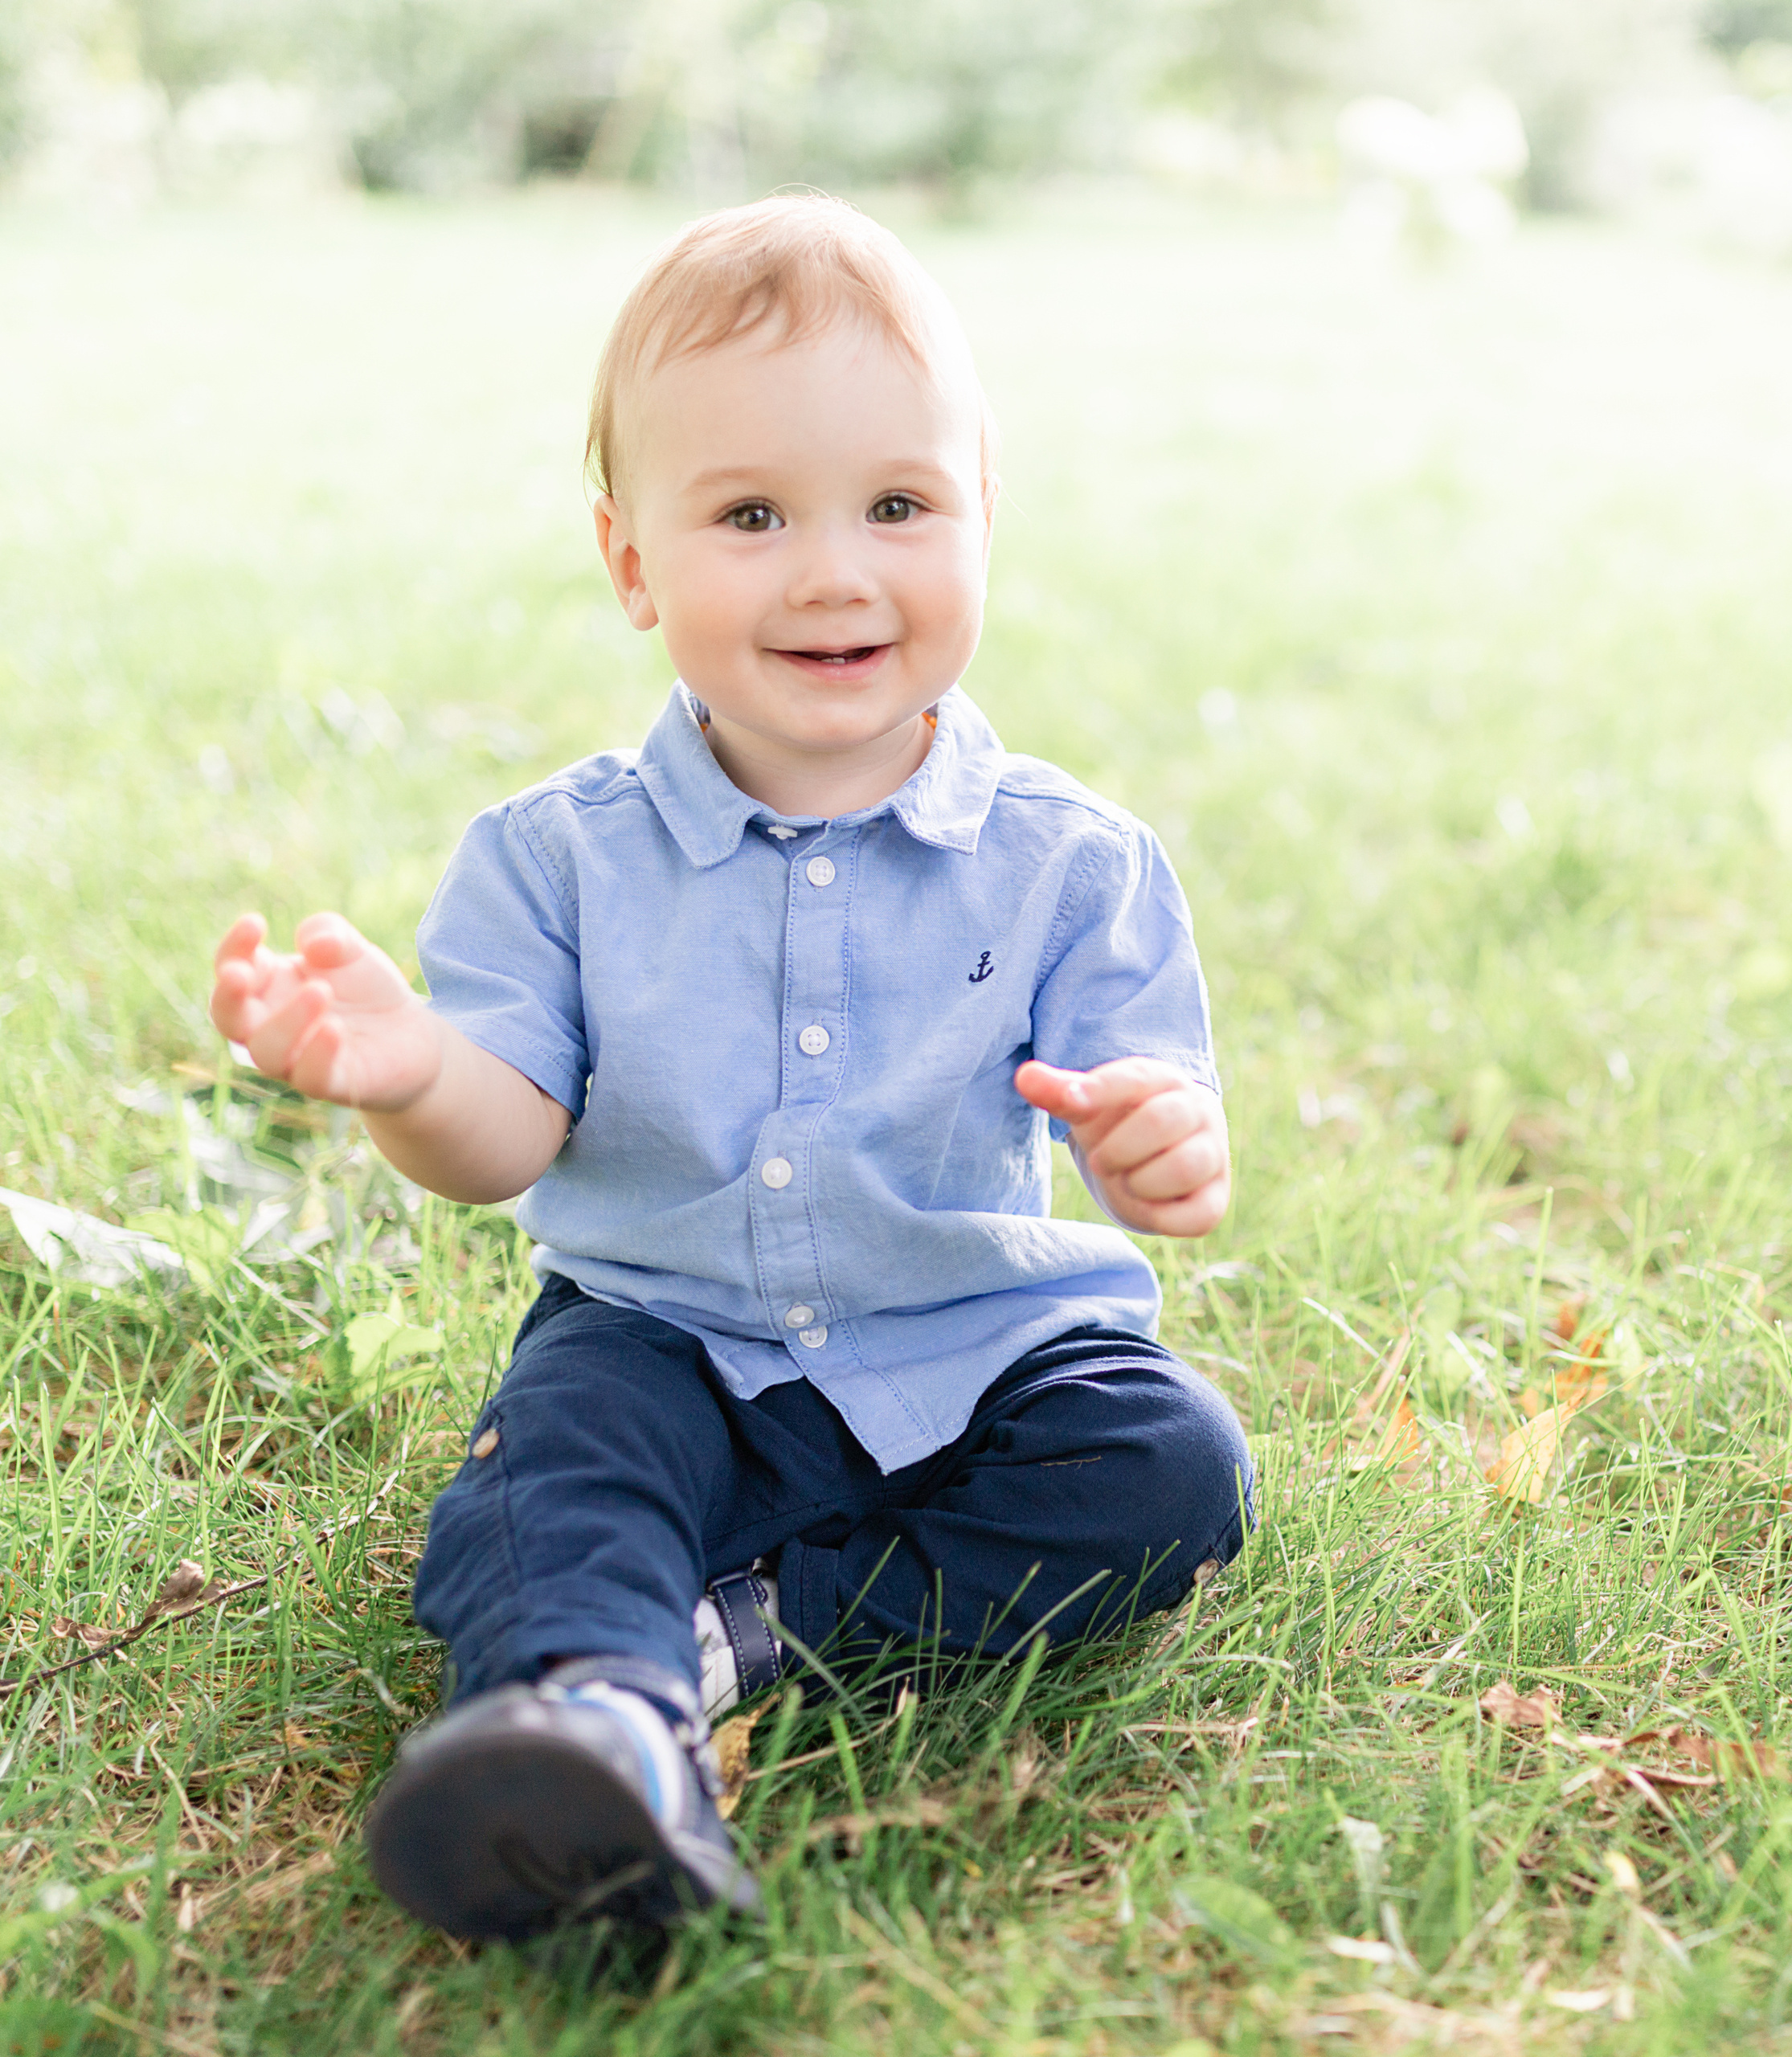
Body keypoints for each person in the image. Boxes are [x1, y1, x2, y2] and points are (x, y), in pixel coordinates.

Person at [207, 194, 1253, 1942]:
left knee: (1170, 1465)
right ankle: (594, 1727)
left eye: (898, 506)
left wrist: (1161, 1147)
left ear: (985, 514)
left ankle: (731, 1637)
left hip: (972, 1350)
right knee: (552, 1475)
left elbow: (1147, 1108)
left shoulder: (1072, 859)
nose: (834, 571)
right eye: (753, 515)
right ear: (631, 562)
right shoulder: (552, 861)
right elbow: (501, 1139)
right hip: (664, 1337)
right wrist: (409, 1074)